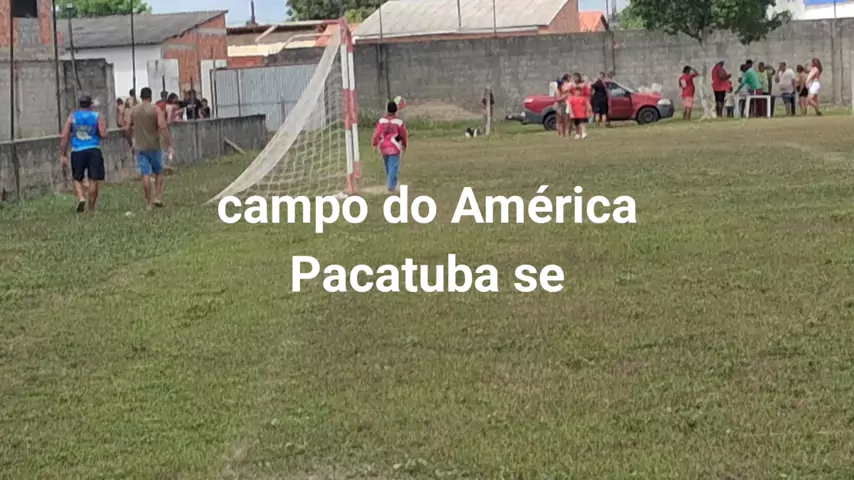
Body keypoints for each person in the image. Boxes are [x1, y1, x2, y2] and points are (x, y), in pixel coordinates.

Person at [124, 87, 175, 210]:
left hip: (140, 147)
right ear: (150, 96)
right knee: (159, 172)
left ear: (141, 96)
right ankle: (158, 197)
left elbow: (126, 128)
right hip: (154, 146)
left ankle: (148, 203)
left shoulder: (133, 110)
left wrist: (131, 143)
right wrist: (169, 144)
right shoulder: (155, 109)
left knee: (145, 174)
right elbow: (162, 126)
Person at [59, 94, 108, 212]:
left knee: (77, 178)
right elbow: (103, 134)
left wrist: (63, 154)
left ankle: (81, 197)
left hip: (77, 151)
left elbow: (64, 136)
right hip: (93, 149)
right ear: (90, 104)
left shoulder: (72, 117)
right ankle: (91, 208)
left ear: (79, 105)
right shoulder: (96, 116)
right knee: (93, 179)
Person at [371, 100, 409, 193]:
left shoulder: (381, 121)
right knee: (393, 166)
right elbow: (403, 134)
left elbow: (377, 133)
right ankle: (391, 186)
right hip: (394, 146)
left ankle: (391, 182)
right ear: (396, 110)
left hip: (383, 146)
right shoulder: (399, 122)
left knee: (388, 166)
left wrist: (375, 144)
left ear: (387, 109)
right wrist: (404, 144)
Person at [568, 73, 591, 140]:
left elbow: (587, 93)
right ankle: (578, 133)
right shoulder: (572, 86)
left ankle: (583, 132)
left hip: (581, 106)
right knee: (576, 121)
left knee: (582, 120)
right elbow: (568, 90)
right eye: (574, 77)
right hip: (575, 107)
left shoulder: (583, 86)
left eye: (576, 77)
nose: (575, 78)